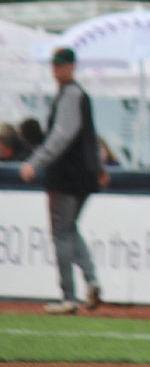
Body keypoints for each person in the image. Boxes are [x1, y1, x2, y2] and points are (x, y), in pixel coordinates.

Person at [19, 47, 108, 314]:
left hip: (66, 174)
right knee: (69, 229)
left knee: (61, 232)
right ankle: (91, 280)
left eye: (61, 65)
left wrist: (35, 163)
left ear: (71, 66)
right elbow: (91, 137)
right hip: (83, 174)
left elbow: (62, 136)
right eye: (55, 65)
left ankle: (69, 296)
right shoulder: (79, 95)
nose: (56, 69)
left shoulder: (71, 95)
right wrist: (100, 166)